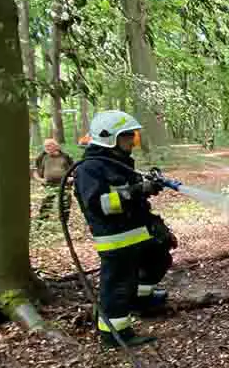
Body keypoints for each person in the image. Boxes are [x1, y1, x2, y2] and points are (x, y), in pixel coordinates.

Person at [73, 111, 177, 348]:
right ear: (109, 137)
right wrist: (138, 191)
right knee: (118, 285)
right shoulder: (90, 169)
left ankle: (141, 301)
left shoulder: (117, 162)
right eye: (127, 136)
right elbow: (100, 204)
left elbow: (130, 191)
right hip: (116, 238)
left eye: (132, 135)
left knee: (158, 258)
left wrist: (147, 185)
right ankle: (115, 334)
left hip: (136, 231)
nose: (132, 141)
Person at [34, 138, 75, 221]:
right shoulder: (42, 157)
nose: (47, 148)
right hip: (49, 185)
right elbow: (35, 172)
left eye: (49, 145)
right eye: (45, 146)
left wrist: (72, 178)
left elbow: (75, 170)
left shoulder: (65, 156)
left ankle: (64, 223)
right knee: (46, 205)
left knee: (65, 205)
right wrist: (40, 180)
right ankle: (42, 222)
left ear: (56, 146)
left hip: (65, 185)